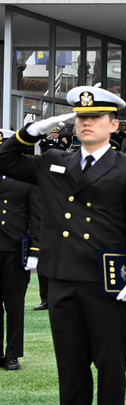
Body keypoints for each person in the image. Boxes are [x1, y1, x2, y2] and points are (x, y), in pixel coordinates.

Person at [0, 86, 126, 405]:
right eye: (81, 118)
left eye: (95, 118)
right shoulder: (54, 161)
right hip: (63, 275)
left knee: (109, 362)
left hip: (106, 279)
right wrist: (31, 133)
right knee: (70, 362)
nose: (86, 124)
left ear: (113, 124)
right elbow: (4, 159)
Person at [0, 129, 40, 370]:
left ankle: (12, 353)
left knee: (14, 304)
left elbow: (37, 216)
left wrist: (35, 250)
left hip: (15, 248)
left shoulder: (26, 177)